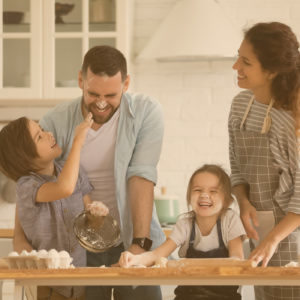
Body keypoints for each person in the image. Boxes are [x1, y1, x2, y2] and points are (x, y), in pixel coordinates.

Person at [13, 45, 165, 300]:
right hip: (78, 246)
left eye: (111, 94)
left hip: (133, 238)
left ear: (126, 83)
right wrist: (21, 240)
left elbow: (141, 176)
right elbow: (31, 181)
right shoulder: (55, 122)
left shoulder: (146, 112)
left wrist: (140, 245)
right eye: (93, 93)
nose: (102, 103)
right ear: (81, 80)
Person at [229, 21, 300, 300]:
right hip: (261, 236)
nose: (236, 66)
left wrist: (272, 240)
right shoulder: (239, 107)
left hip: (291, 239)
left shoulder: (291, 120)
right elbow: (236, 168)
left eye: (246, 62)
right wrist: (243, 201)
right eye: (238, 56)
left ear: (271, 71)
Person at [0, 113, 97, 299]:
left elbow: (91, 220)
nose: (48, 134)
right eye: (39, 136)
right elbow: (64, 188)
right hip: (48, 287)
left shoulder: (75, 172)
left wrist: (97, 214)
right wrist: (78, 142)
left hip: (80, 281)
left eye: (42, 130)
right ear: (24, 158)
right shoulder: (26, 186)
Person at [119, 164, 246, 300]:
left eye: (213, 191)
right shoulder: (185, 223)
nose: (204, 195)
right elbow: (158, 254)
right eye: (198, 190)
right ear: (189, 196)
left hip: (224, 297)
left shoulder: (230, 220)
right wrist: (135, 259)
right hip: (188, 296)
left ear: (227, 201)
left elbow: (237, 260)